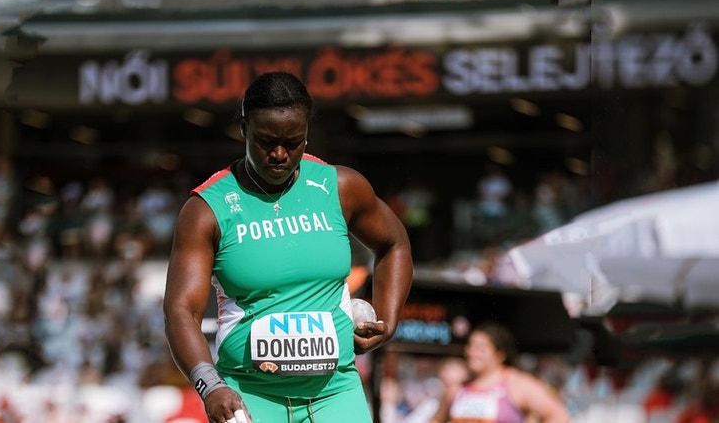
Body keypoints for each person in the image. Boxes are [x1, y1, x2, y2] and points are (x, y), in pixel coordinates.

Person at [163, 70, 414, 423]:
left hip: (336, 391)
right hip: (249, 396)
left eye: (294, 142)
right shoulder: (207, 209)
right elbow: (180, 311)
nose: (279, 154)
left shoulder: (340, 187)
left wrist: (389, 319)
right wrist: (210, 385)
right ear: (243, 130)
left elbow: (395, 244)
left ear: (308, 134)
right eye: (265, 141)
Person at [430, 321, 571, 423]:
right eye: (470, 346)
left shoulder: (516, 384)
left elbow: (559, 415)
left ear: (500, 354)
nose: (472, 353)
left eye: (481, 349)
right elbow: (437, 419)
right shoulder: (458, 388)